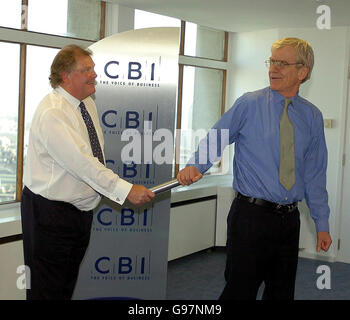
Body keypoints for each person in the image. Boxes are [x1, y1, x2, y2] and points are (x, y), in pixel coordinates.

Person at [177, 37, 332, 300]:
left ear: (302, 72)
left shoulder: (312, 116)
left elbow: (315, 173)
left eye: (283, 63)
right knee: (239, 291)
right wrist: (196, 165)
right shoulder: (249, 103)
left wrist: (322, 222)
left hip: (289, 221)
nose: (273, 68)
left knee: (281, 293)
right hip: (250, 217)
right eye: (272, 62)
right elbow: (217, 136)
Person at [20, 45, 155, 300]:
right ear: (65, 76)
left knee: (64, 285)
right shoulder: (53, 113)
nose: (94, 75)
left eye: (93, 69)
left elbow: (94, 156)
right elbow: (83, 163)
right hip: (50, 214)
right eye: (86, 70)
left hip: (78, 212)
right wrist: (125, 190)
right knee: (46, 290)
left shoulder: (86, 103)